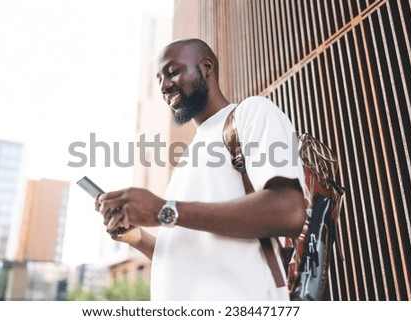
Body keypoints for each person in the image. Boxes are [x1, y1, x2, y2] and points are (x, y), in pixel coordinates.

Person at [96, 38, 306, 300]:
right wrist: (137, 238)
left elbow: (289, 211)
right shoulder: (185, 161)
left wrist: (163, 210)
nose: (163, 86)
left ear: (206, 67)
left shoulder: (251, 113)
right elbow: (188, 253)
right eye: (159, 78)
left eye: (172, 71)